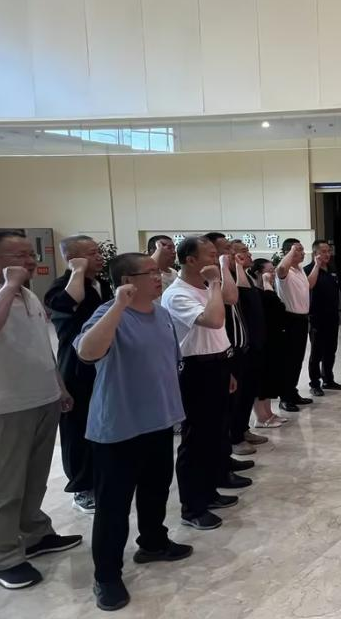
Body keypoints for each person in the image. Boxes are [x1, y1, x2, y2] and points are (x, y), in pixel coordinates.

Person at [0, 230, 82, 591]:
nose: (30, 261)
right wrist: (9, 287)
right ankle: (4, 559)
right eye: (20, 256)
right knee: (4, 487)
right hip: (3, 406)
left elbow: (41, 345)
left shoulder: (29, 295)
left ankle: (35, 534)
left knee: (34, 478)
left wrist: (59, 386)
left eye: (30, 254)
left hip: (42, 399)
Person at [76, 253, 192, 611]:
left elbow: (169, 362)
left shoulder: (161, 314)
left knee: (156, 490)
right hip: (119, 428)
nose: (159, 277)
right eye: (150, 273)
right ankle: (107, 576)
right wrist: (117, 305)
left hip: (159, 422)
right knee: (113, 506)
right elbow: (87, 352)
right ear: (127, 281)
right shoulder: (109, 314)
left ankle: (153, 543)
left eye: (158, 272)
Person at [162, 236, 241, 532]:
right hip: (196, 369)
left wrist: (228, 369)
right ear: (190, 260)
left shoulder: (207, 287)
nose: (215, 259)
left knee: (214, 434)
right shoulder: (177, 293)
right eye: (210, 255)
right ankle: (192, 507)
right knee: (195, 440)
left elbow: (230, 304)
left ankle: (208, 492)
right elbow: (215, 320)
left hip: (218, 363)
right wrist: (215, 283)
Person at [43, 234, 112, 515]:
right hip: (76, 367)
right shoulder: (62, 287)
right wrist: (77, 271)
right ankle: (82, 487)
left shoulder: (102, 284)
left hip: (104, 363)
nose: (99, 257)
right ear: (72, 258)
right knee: (78, 427)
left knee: (103, 421)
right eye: (91, 253)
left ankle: (102, 476)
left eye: (98, 252)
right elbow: (68, 302)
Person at [203, 233, 264, 459]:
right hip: (226, 349)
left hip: (244, 344)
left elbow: (243, 298)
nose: (231, 253)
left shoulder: (229, 275)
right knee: (231, 400)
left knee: (246, 393)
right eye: (225, 249)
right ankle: (233, 438)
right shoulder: (210, 280)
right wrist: (222, 267)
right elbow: (230, 298)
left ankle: (241, 430)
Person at [228, 239, 273, 451]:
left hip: (254, 342)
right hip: (239, 345)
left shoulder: (246, 275)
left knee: (249, 390)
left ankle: (243, 428)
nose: (249, 254)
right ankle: (234, 437)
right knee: (238, 395)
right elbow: (243, 294)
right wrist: (237, 266)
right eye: (243, 251)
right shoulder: (232, 278)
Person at [248, 258, 289, 428]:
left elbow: (280, 310)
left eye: (273, 271)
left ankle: (268, 413)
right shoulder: (256, 292)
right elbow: (275, 307)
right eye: (269, 271)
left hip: (272, 340)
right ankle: (261, 417)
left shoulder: (266, 290)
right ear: (258, 272)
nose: (273, 274)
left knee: (270, 378)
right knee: (261, 380)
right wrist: (266, 284)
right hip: (261, 342)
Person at [274, 238, 313, 412]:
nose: (302, 253)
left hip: (302, 319)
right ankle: (285, 397)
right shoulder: (285, 271)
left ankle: (292, 391)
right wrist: (291, 251)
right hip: (289, 320)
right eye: (298, 250)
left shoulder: (299, 270)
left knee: (297, 359)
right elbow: (281, 269)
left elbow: (308, 286)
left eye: (302, 249)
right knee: (288, 360)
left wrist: (317, 265)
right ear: (287, 252)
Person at [306, 239, 341, 396]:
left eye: (329, 251)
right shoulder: (308, 270)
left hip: (332, 317)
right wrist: (316, 266)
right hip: (316, 318)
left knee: (331, 350)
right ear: (315, 253)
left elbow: (337, 292)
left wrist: (339, 311)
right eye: (323, 252)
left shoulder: (332, 269)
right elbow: (309, 286)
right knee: (316, 353)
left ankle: (328, 379)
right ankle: (315, 383)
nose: (327, 254)